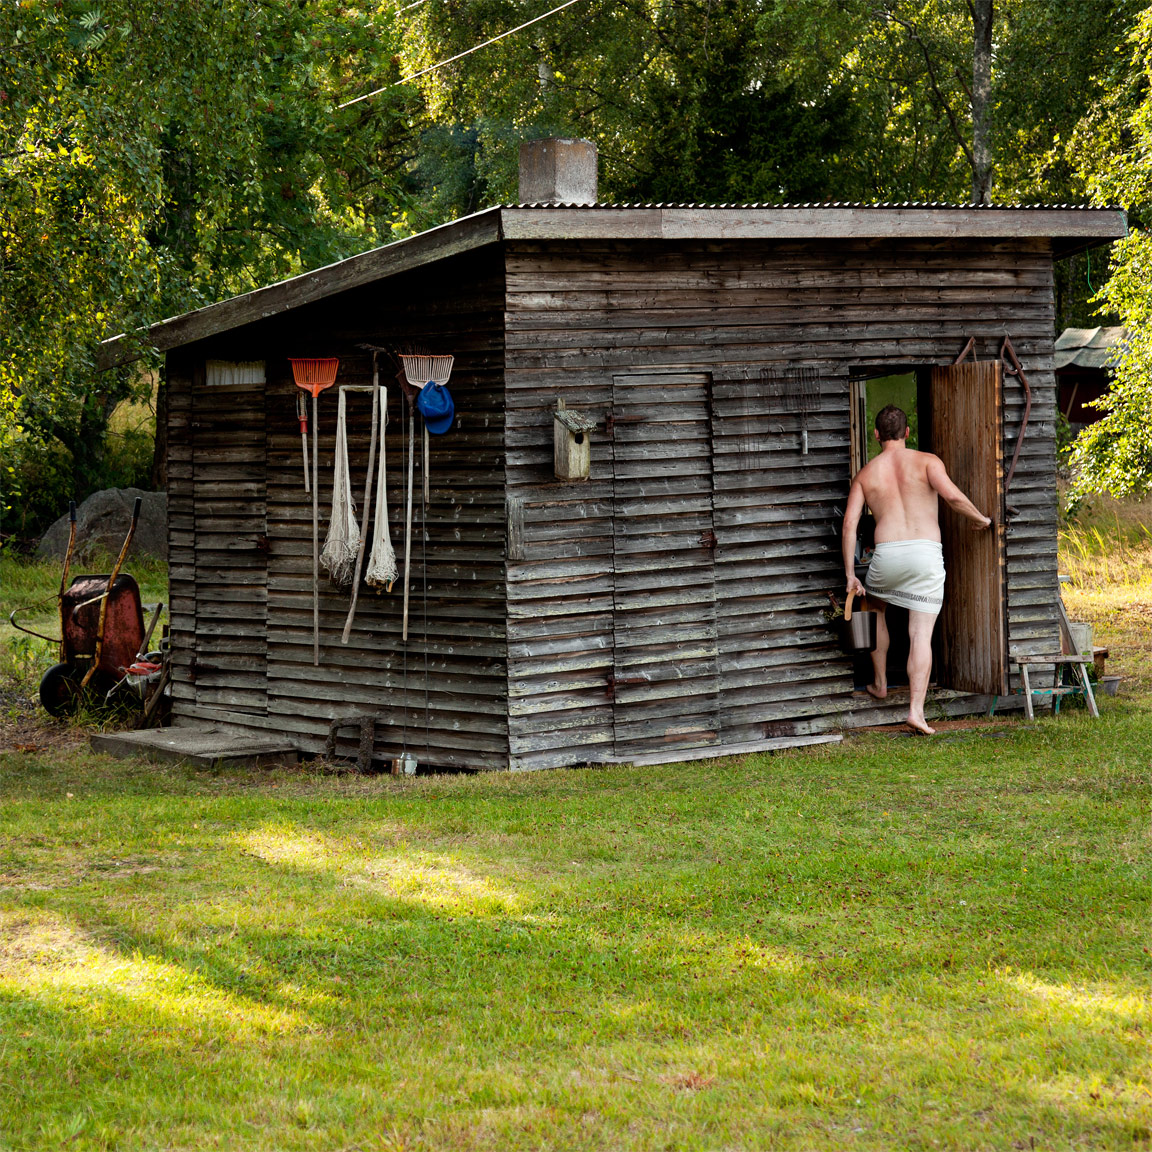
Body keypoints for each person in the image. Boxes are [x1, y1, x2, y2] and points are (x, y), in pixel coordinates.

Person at [842, 404, 993, 735]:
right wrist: (981, 519)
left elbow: (850, 524)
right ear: (908, 433)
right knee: (920, 633)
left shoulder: (866, 475)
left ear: (877, 435)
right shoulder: (927, 462)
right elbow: (952, 498)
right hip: (926, 555)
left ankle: (880, 683)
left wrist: (851, 574)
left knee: (876, 608)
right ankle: (916, 712)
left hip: (887, 555)